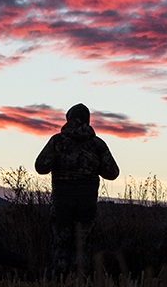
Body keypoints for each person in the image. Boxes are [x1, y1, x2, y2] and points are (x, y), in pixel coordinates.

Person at [35, 103, 119, 277]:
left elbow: (41, 167)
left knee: (60, 246)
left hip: (62, 203)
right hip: (87, 203)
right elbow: (112, 173)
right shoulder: (97, 145)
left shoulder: (57, 141)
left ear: (69, 119)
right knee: (83, 248)